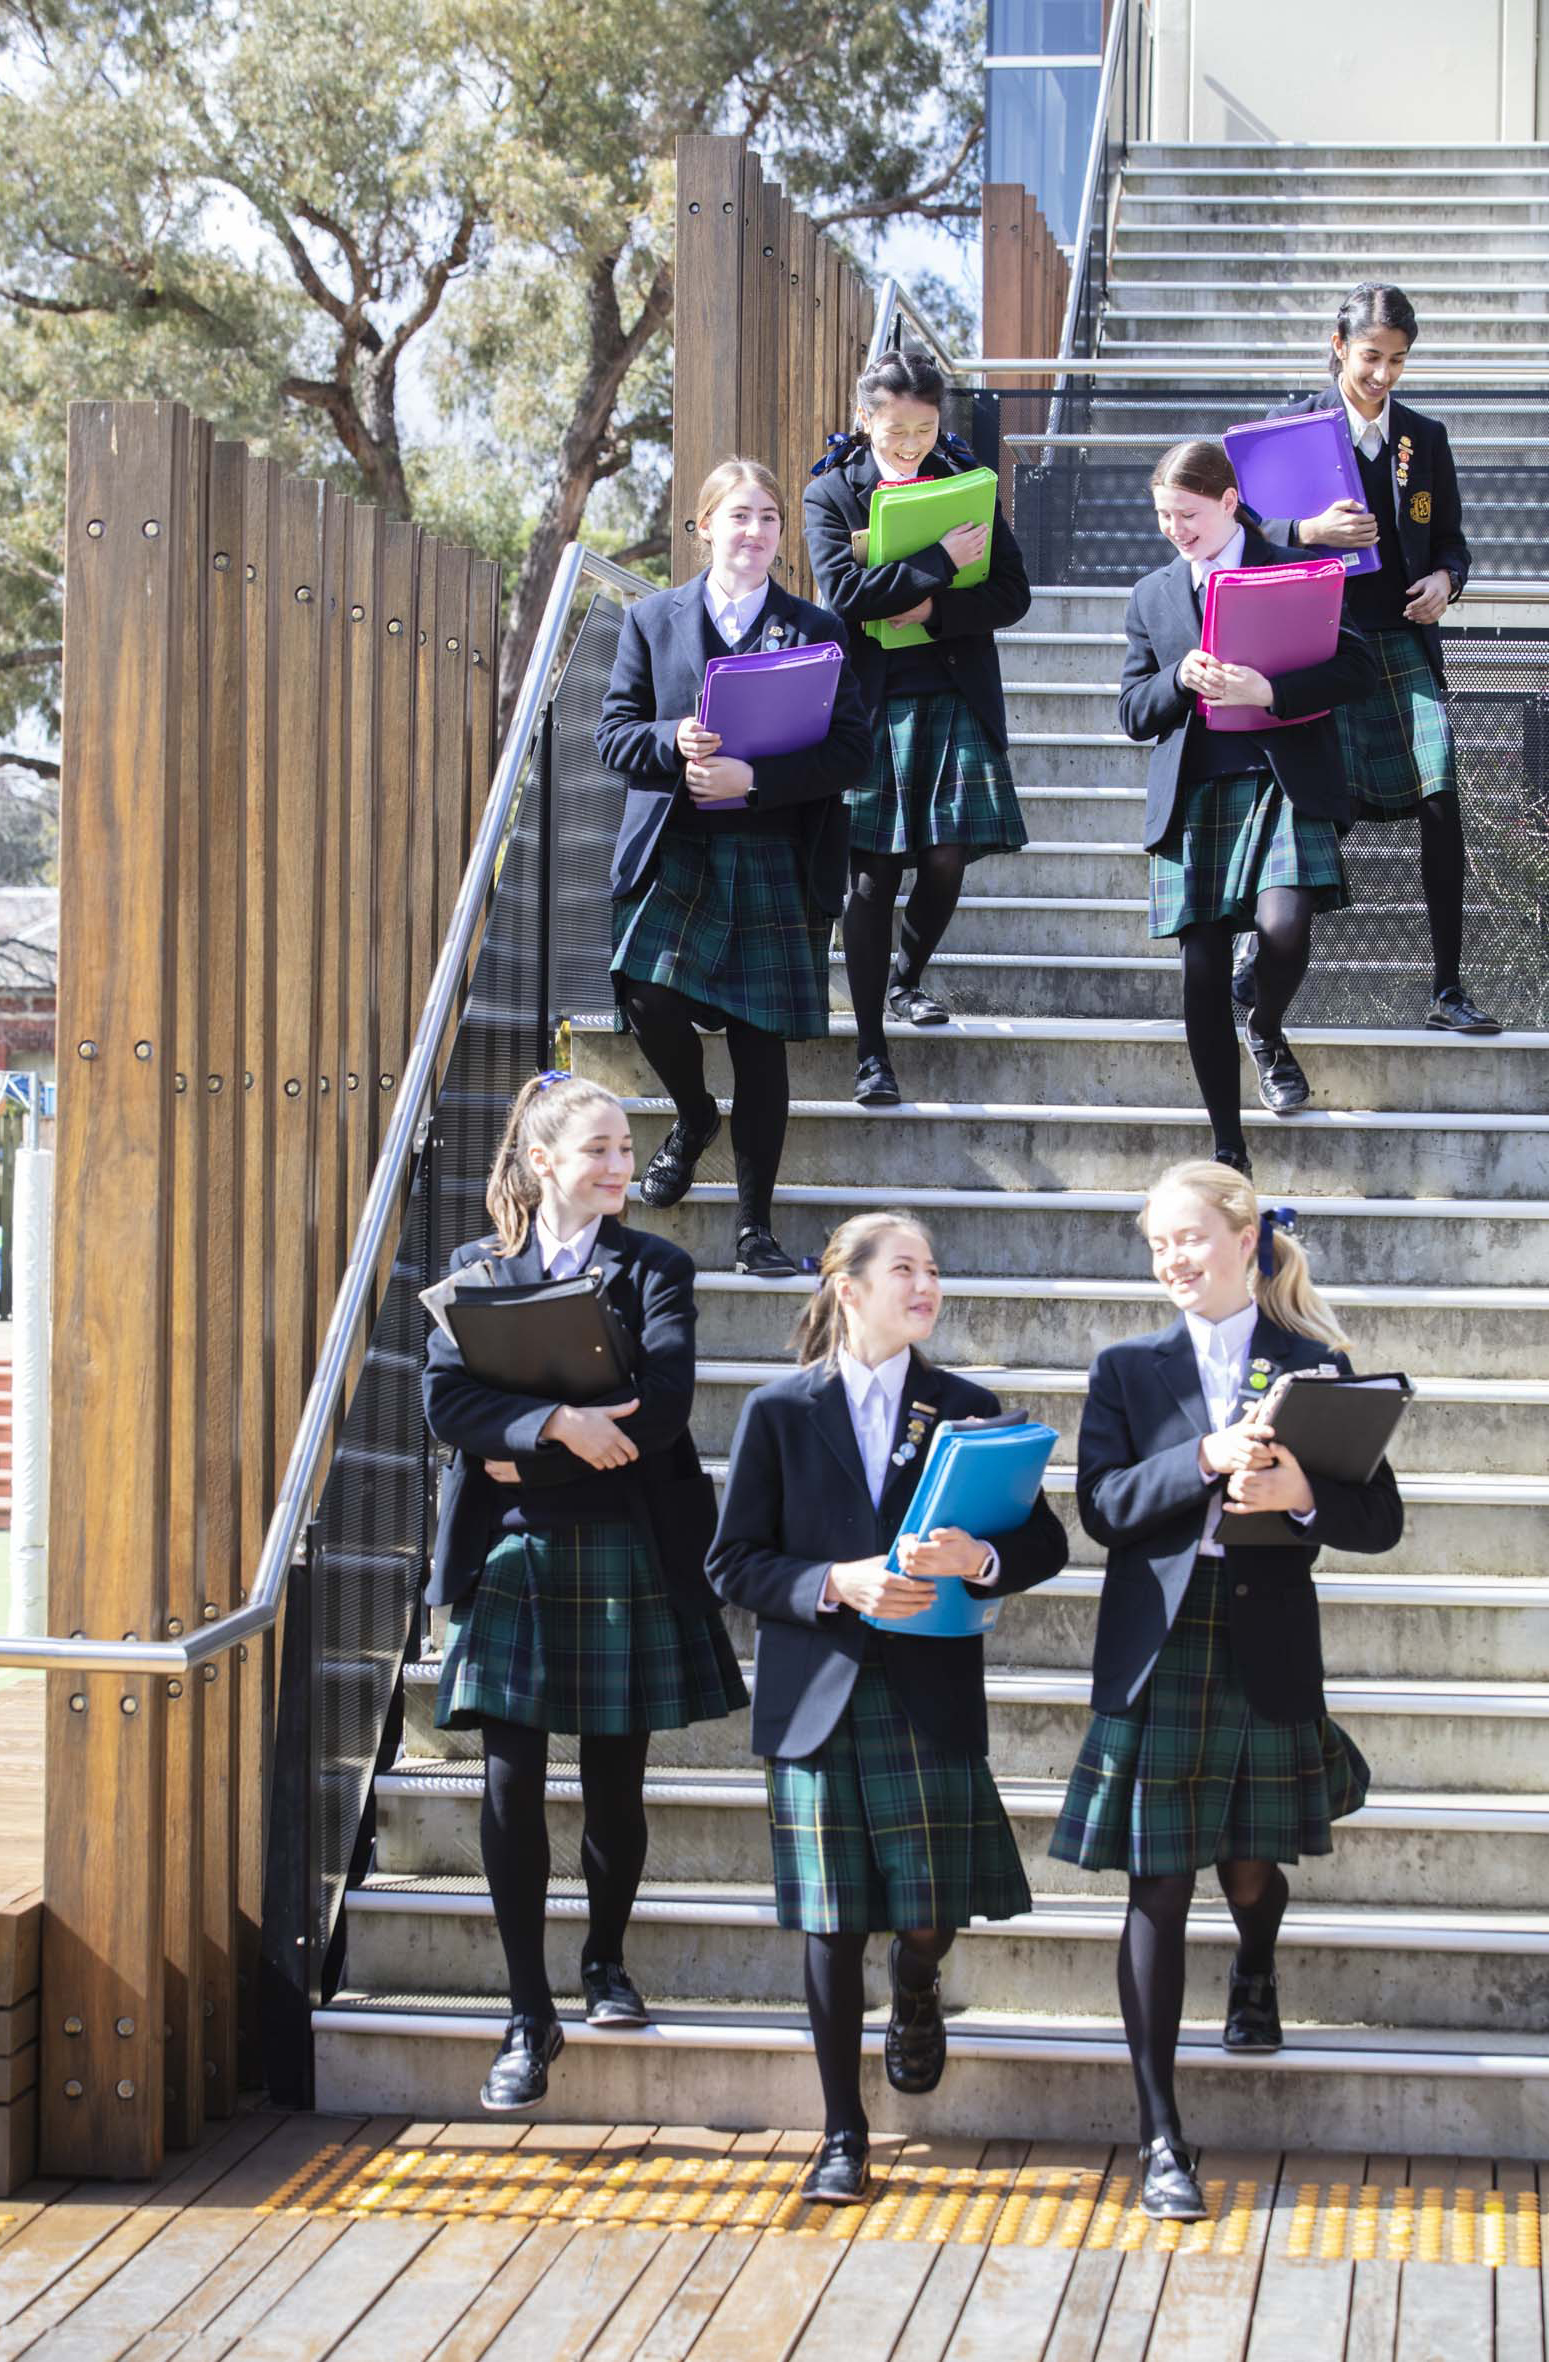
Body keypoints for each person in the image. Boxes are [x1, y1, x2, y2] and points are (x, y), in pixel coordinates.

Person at [1051, 1158, 1403, 2221]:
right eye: (1158, 1245)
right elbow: (1105, 1507)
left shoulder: (1318, 1361)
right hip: (1161, 1647)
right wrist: (1205, 1454)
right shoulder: (1128, 1368)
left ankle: (1255, 1964)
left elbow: (1378, 1520)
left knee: (1250, 1870)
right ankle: (1161, 2134)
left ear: (1245, 1239)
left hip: (1263, 1640)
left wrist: (1303, 1498)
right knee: (1157, 1883)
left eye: (1189, 1239)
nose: (1173, 1261)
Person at [708, 1211, 1069, 2203]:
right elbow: (733, 1562)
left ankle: (919, 1983)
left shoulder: (968, 1407)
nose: (927, 1284)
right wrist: (838, 1581)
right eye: (905, 1268)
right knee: (829, 1926)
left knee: (926, 1914)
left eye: (934, 1268)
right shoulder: (779, 1410)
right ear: (848, 1286)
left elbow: (1044, 1544)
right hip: (817, 1695)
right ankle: (841, 2133)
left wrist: (980, 1559)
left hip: (926, 1691)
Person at [422, 1072, 747, 2113]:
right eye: (599, 1148)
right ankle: (529, 2013)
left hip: (627, 1545)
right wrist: (557, 1428)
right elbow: (445, 1399)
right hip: (514, 1552)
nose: (619, 1165)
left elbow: (661, 1408)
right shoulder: (476, 1268)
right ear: (544, 1160)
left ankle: (605, 1960)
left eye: (625, 1147)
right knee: (511, 1782)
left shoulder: (657, 1266)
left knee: (616, 1783)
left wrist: (521, 1448)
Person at [595, 458, 872, 1277]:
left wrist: (757, 781)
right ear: (704, 525)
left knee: (760, 1043)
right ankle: (692, 1115)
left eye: (768, 519)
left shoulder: (817, 627)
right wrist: (671, 739)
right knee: (641, 990)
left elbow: (851, 751)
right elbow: (612, 736)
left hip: (772, 850)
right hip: (676, 843)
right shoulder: (650, 620)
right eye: (739, 516)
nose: (754, 533)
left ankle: (754, 1228)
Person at [1240, 280, 1500, 1034]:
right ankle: (1255, 966)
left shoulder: (1425, 437)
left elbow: (1450, 538)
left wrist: (1447, 578)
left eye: (1397, 361)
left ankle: (1446, 990)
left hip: (1397, 640)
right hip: (1316, 643)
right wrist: (1309, 532)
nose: (1382, 375)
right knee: (1323, 807)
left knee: (1440, 790)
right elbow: (1247, 533)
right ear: (1336, 346)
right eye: (1369, 358)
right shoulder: (1286, 429)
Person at [1120, 440, 1376, 1175]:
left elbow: (1354, 666)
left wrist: (1270, 692)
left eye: (1188, 514)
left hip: (1281, 779)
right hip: (1194, 791)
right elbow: (1133, 711)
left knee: (1283, 929)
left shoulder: (1291, 567)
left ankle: (1263, 1025)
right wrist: (1178, 677)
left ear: (1229, 502)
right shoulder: (1152, 594)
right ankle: (1227, 1144)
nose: (1175, 528)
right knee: (1199, 971)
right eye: (1164, 515)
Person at [803, 348, 1031, 1108]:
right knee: (870, 880)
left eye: (924, 428)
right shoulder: (831, 493)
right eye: (894, 428)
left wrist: (932, 607)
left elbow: (1010, 592)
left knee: (945, 860)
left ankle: (907, 976)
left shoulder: (964, 482)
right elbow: (841, 594)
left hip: (953, 690)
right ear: (864, 418)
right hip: (869, 704)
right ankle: (870, 1051)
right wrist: (936, 559)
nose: (909, 444)